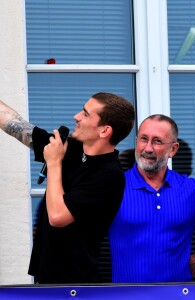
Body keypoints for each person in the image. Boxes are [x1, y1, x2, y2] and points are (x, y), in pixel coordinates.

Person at [0, 92, 135, 284]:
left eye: (86, 114)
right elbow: (15, 124)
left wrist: (54, 163)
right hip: (46, 279)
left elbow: (58, 217)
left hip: (77, 286)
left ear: (105, 131)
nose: (77, 116)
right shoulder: (69, 148)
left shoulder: (109, 175)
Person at [109, 114, 195, 283]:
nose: (148, 148)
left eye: (157, 141)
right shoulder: (115, 187)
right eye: (143, 139)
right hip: (126, 295)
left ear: (173, 149)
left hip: (178, 295)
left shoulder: (190, 189)